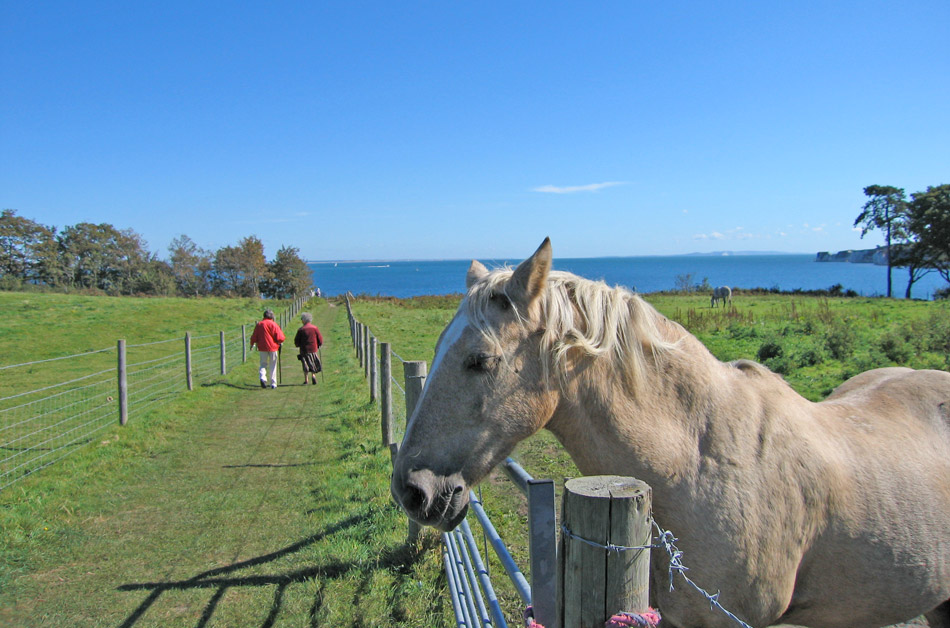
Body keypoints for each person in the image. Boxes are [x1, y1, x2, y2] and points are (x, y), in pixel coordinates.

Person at [249, 309, 285, 389]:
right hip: (273, 347)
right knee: (273, 365)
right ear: (271, 316)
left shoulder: (259, 324)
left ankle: (263, 377)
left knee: (263, 364)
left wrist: (252, 344)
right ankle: (273, 383)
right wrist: (279, 341)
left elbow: (254, 336)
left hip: (262, 347)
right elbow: (280, 337)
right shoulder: (274, 324)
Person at [294, 312, 324, 385]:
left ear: (304, 320)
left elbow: (297, 340)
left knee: (305, 364)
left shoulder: (301, 329)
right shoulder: (314, 328)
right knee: (313, 362)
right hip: (313, 348)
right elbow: (319, 338)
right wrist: (319, 344)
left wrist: (297, 345)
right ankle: (313, 375)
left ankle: (306, 379)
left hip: (304, 349)